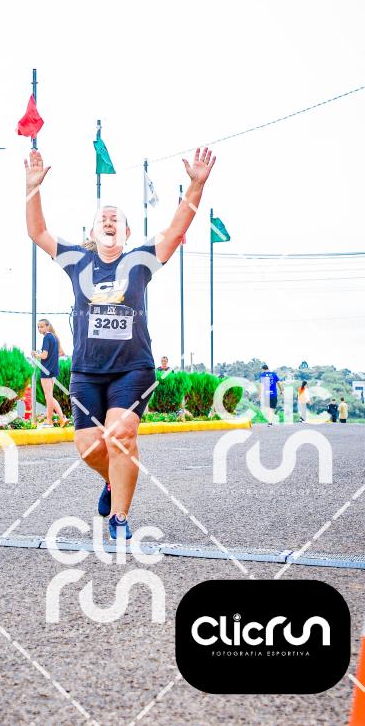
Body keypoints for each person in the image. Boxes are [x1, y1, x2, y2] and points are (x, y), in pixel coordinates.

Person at [25, 146, 215, 540]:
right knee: (89, 446)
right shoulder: (77, 261)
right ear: (92, 233)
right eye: (103, 219)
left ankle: (119, 518)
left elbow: (175, 231)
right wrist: (32, 188)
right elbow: (38, 233)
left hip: (133, 368)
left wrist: (196, 186)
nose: (109, 221)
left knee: (121, 434)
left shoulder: (140, 261)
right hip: (87, 372)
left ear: (127, 233)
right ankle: (113, 479)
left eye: (117, 219)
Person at [32, 318, 68, 428]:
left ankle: (50, 421)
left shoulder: (47, 337)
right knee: (49, 396)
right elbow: (61, 353)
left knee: (48, 396)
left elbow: (44, 356)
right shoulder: (55, 337)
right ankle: (61, 418)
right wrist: (52, 357)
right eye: (38, 327)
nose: (39, 329)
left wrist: (35, 354)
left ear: (48, 326)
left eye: (42, 326)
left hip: (46, 370)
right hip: (53, 370)